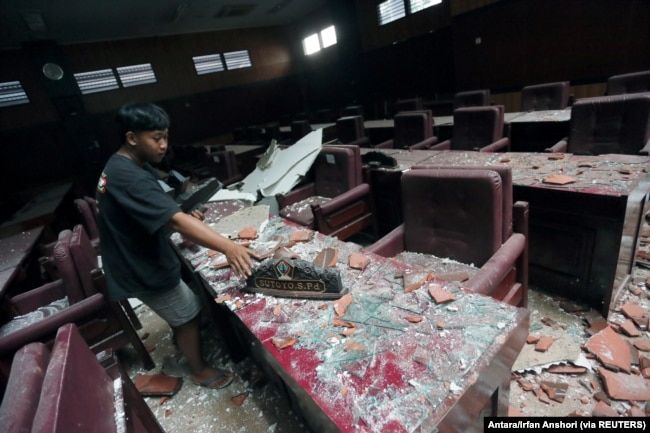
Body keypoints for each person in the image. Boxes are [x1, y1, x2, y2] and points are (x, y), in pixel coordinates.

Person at [96, 102, 254, 389]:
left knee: (187, 307)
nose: (163, 145)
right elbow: (175, 221)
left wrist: (175, 211)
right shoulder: (127, 176)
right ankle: (198, 369)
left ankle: (186, 347)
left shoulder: (124, 164)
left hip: (137, 254)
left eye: (166, 137)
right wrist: (229, 247)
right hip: (139, 265)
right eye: (156, 138)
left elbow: (150, 208)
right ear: (132, 138)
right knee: (189, 314)